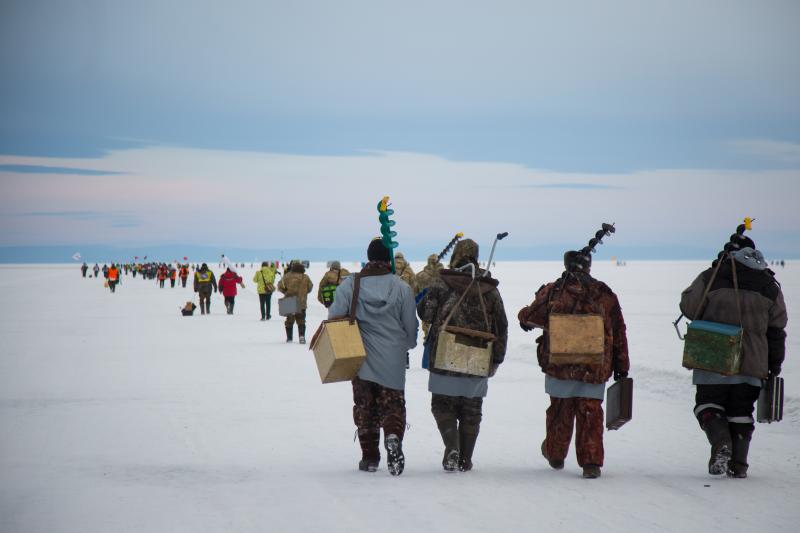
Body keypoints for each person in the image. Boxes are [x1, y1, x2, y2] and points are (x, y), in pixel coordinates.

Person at [679, 238, 787, 478]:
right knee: (741, 411)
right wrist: (774, 365)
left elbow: (688, 307)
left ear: (729, 254)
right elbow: (777, 330)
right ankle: (738, 465)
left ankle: (721, 443)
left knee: (708, 405)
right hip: (753, 361)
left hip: (713, 356)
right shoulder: (770, 286)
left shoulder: (712, 277)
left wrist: (713, 272)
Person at [518, 249, 629, 479]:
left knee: (560, 411)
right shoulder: (604, 294)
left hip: (560, 365)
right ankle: (591, 464)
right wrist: (622, 366)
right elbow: (619, 332)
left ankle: (555, 454)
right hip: (594, 367)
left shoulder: (555, 290)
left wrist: (523, 317)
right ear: (589, 266)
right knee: (591, 414)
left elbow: (532, 315)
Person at [329, 238, 419, 475]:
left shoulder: (350, 285)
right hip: (393, 358)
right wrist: (407, 344)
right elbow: (410, 324)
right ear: (388, 259)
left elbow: (334, 316)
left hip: (359, 355)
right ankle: (393, 436)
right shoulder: (402, 287)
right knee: (393, 404)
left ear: (368, 257)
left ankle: (369, 458)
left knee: (365, 406)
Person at [417, 239, 507, 472]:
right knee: (471, 410)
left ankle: (451, 446)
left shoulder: (441, 282)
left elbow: (426, 314)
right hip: (478, 358)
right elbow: (501, 326)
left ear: (455, 255)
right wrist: (497, 359)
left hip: (444, 356)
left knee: (442, 404)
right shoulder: (489, 288)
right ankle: (465, 459)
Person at [277, 261, 313, 343]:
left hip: (289, 301)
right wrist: (304, 292)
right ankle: (302, 336)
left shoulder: (287, 276)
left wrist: (285, 292)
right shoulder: (305, 277)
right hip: (301, 302)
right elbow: (310, 287)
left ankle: (289, 338)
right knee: (301, 320)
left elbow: (280, 286)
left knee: (289, 321)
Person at [414, 253, 444, 339]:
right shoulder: (445, 276)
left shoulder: (420, 276)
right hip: (442, 312)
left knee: (427, 337)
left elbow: (415, 293)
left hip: (425, 309)